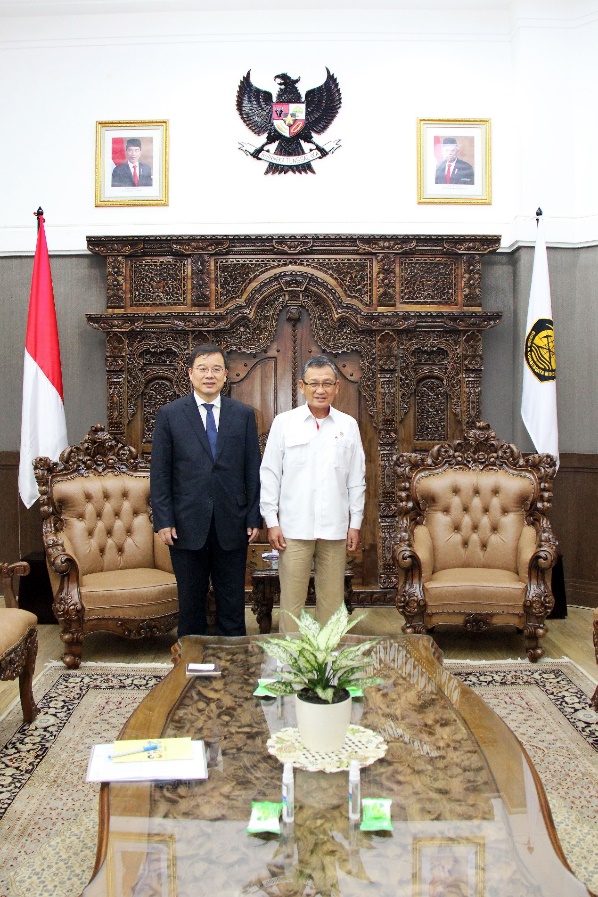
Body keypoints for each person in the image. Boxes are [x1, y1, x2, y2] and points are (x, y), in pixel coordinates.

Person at [150, 343, 262, 638]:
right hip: (185, 524)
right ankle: (190, 662)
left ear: (226, 374)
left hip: (233, 521)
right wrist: (163, 520)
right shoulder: (170, 414)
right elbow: (160, 473)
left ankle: (234, 661)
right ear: (190, 373)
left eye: (216, 369)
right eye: (202, 369)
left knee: (232, 603)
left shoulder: (243, 415)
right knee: (190, 604)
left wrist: (253, 517)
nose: (209, 375)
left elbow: (252, 469)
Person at [260, 355, 366, 634]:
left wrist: (355, 523)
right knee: (291, 604)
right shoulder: (284, 423)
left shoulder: (348, 426)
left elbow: (356, 479)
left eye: (327, 384)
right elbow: (270, 474)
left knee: (332, 603)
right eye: (314, 384)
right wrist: (272, 521)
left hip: (334, 529)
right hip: (293, 529)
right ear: (301, 386)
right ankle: (290, 659)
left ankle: (329, 658)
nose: (320, 390)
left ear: (337, 388)